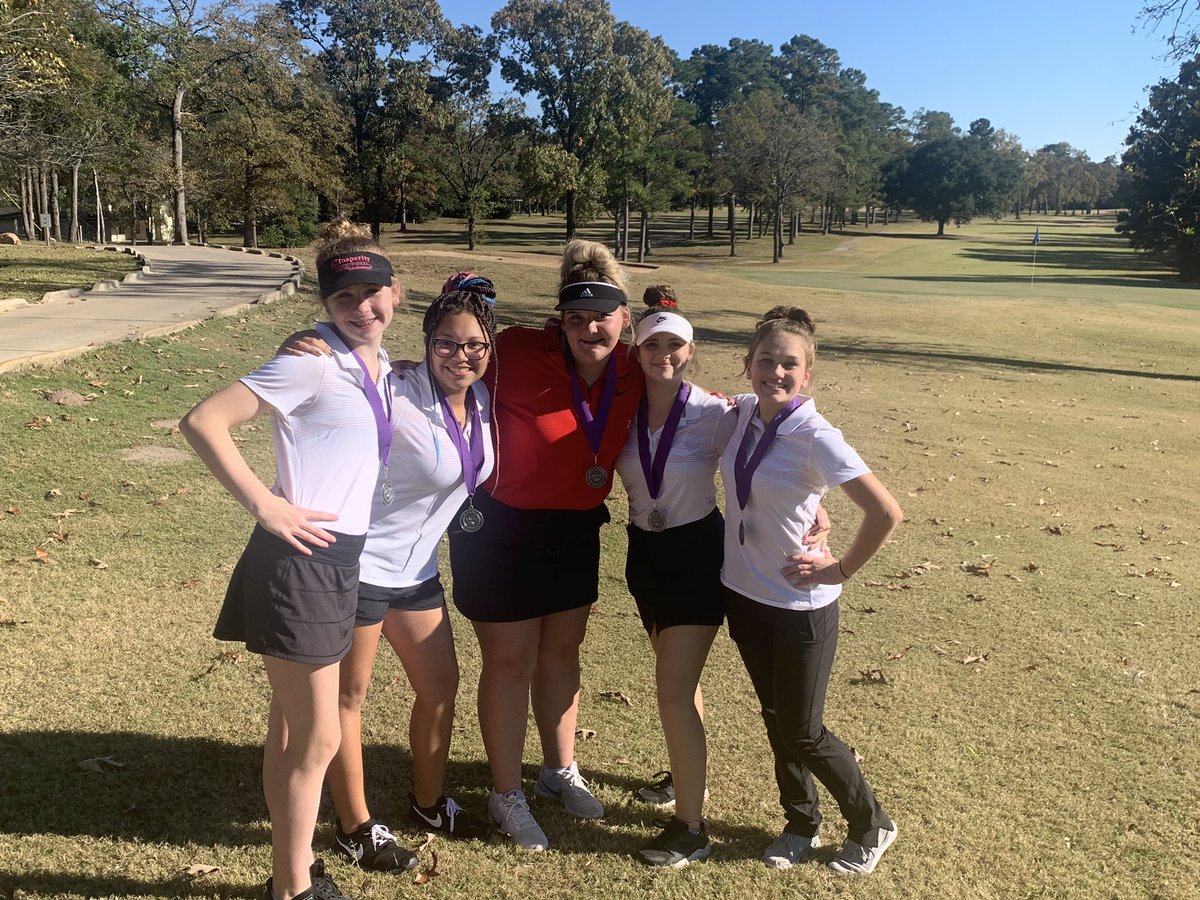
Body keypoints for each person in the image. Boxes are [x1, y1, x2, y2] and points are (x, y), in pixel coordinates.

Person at [180, 219, 402, 900]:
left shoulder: (379, 366)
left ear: (396, 291)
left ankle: (293, 867)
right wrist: (265, 505)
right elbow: (202, 420)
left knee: (289, 732)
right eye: (344, 299)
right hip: (299, 561)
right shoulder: (311, 360)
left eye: (372, 293)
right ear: (325, 304)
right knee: (317, 741)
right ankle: (292, 889)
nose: (362, 308)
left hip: (338, 561)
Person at [281, 274, 499, 872]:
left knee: (440, 686)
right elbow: (334, 373)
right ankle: (355, 828)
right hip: (359, 567)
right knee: (347, 700)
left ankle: (428, 803)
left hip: (417, 571)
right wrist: (302, 344)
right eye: (446, 343)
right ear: (426, 343)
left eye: (474, 345)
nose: (460, 356)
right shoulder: (394, 387)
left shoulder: (483, 399)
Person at [449, 240, 644, 851]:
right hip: (500, 528)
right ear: (559, 319)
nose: (590, 328)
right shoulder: (513, 351)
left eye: (602, 316)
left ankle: (558, 771)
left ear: (625, 318)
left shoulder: (637, 366)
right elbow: (445, 362)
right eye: (576, 316)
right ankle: (506, 793)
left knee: (562, 654)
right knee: (510, 661)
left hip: (576, 527)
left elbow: (705, 408)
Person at [720, 306, 903, 876]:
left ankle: (872, 824)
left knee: (802, 730)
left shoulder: (817, 435)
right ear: (748, 365)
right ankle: (801, 822)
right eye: (765, 360)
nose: (775, 372)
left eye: (789, 364)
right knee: (776, 719)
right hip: (743, 596)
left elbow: (885, 512)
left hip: (800, 608)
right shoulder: (743, 412)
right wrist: (812, 504)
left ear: (808, 374)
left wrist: (839, 570)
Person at [613, 288, 727, 867]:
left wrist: (817, 510)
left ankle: (691, 829)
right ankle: (686, 778)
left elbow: (774, 451)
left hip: (696, 554)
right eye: (652, 344)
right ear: (636, 351)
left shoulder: (715, 412)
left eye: (674, 344)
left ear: (690, 350)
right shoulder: (622, 409)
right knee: (680, 682)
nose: (663, 354)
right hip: (644, 554)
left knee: (673, 691)